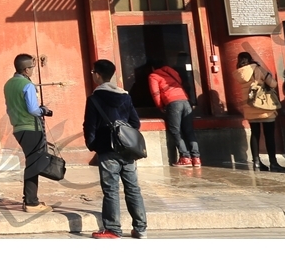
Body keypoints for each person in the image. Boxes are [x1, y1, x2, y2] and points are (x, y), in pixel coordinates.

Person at [83, 59, 148, 239]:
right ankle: (140, 228)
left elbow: (90, 126)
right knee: (133, 188)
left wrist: (93, 145)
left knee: (111, 189)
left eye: (93, 72)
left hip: (107, 149)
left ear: (97, 74)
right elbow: (135, 123)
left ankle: (113, 228)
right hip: (127, 151)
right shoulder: (125, 96)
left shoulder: (94, 98)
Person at [3, 55, 54, 210]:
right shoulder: (27, 85)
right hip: (31, 128)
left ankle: (31, 199)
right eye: (32, 67)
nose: (33, 70)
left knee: (31, 162)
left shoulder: (8, 84)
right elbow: (33, 109)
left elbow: (8, 108)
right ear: (26, 69)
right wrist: (43, 110)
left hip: (18, 128)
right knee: (33, 164)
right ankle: (31, 202)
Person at [147, 61, 200, 168]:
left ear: (152, 67)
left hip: (173, 103)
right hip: (185, 100)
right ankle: (196, 158)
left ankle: (185, 157)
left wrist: (160, 106)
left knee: (176, 130)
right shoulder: (170, 72)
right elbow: (179, 80)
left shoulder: (153, 75)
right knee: (189, 130)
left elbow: (155, 92)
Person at [237, 51, 282, 172]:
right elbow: (273, 83)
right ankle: (273, 162)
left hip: (250, 108)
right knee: (269, 135)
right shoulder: (257, 68)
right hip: (264, 106)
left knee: (255, 134)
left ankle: (256, 162)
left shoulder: (240, 72)